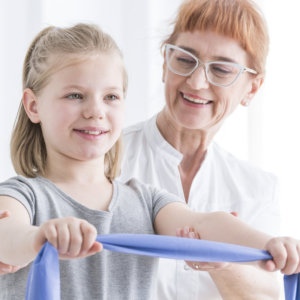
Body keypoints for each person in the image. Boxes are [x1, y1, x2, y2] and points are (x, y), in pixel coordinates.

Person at [0, 22, 299, 300]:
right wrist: (41, 237)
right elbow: (7, 237)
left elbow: (205, 223)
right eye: (75, 95)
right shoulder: (22, 195)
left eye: (111, 97)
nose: (95, 111)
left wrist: (269, 243)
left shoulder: (146, 200)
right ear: (33, 105)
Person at [118, 0, 282, 299]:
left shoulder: (258, 189)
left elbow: (268, 295)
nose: (196, 82)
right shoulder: (106, 159)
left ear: (252, 88)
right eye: (184, 59)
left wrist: (224, 264)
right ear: (165, 62)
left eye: (220, 69)